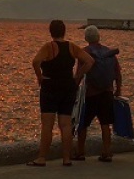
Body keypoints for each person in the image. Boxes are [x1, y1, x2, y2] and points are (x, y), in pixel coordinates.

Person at [29, 19, 93, 167]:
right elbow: (89, 61)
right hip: (68, 87)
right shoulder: (71, 47)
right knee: (65, 125)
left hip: (50, 86)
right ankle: (66, 158)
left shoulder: (49, 47)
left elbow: (35, 62)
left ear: (51, 31)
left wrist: (39, 76)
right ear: (64, 31)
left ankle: (42, 157)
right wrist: (78, 76)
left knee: (47, 124)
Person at [72, 25, 122, 163]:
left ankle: (80, 152)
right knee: (105, 124)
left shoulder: (84, 52)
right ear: (99, 37)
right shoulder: (109, 52)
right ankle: (106, 152)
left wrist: (74, 88)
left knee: (83, 123)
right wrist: (118, 89)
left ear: (86, 38)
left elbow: (79, 74)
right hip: (107, 93)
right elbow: (117, 72)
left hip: (90, 94)